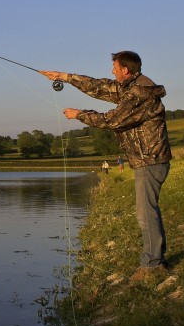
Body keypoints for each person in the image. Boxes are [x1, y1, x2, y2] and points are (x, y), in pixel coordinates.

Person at [40, 51, 172, 282]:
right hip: (147, 160)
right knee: (148, 211)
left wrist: (80, 114)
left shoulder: (139, 94)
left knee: (145, 213)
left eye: (114, 67)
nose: (112, 71)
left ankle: (152, 265)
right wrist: (65, 76)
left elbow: (112, 120)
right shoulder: (131, 87)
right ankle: (156, 259)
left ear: (125, 70)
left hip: (150, 160)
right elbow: (100, 87)